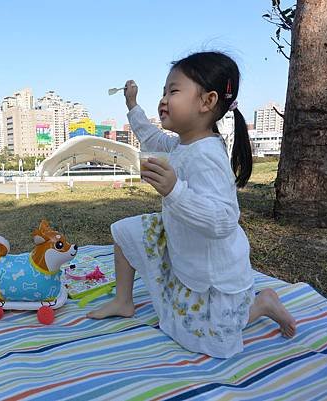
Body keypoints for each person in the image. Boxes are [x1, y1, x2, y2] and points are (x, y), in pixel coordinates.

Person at [88, 52, 296, 358]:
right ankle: (124, 300)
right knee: (125, 232)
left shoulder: (207, 156)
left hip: (212, 268)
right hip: (184, 238)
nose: (163, 99)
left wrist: (174, 191)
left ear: (207, 101)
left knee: (210, 338)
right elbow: (151, 136)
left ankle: (262, 304)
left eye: (173, 91)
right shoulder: (183, 142)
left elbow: (225, 220)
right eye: (163, 91)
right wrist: (133, 106)